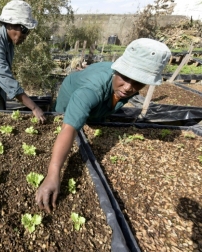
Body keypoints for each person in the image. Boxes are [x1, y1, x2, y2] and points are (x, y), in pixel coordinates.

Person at [35, 38, 171, 213]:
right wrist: (53, 174)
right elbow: (69, 128)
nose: (129, 87)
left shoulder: (123, 87)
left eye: (138, 82)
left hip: (96, 93)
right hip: (71, 92)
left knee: (93, 116)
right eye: (126, 77)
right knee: (66, 121)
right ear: (118, 70)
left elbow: (118, 92)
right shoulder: (91, 91)